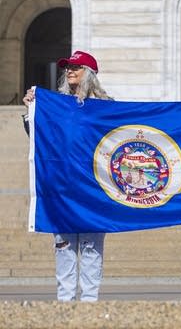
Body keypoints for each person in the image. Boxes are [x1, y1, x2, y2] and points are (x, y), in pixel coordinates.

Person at [22, 50, 111, 302]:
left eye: (76, 67)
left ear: (89, 74)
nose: (69, 70)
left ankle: (90, 303)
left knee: (92, 248)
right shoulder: (56, 106)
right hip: (63, 188)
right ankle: (64, 303)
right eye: (67, 67)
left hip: (94, 189)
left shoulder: (106, 107)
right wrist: (34, 111)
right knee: (64, 247)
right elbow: (41, 141)